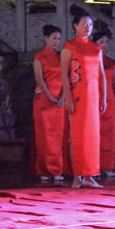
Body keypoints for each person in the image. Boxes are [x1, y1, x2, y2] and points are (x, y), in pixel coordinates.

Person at [61, 11, 107, 189]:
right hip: (78, 96)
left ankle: (90, 175)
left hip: (93, 97)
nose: (87, 27)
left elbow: (101, 73)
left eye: (90, 25)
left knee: (92, 137)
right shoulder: (69, 46)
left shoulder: (96, 48)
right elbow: (64, 74)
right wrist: (68, 97)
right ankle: (76, 176)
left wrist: (103, 98)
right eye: (84, 24)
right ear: (75, 26)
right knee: (78, 137)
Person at [33, 24, 67, 182]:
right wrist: (51, 97)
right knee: (44, 136)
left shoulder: (62, 56)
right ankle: (44, 170)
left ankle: (57, 169)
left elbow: (67, 77)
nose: (56, 41)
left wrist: (63, 96)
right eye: (53, 38)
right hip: (44, 100)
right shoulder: (39, 56)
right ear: (45, 38)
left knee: (58, 135)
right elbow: (39, 80)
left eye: (59, 39)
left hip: (60, 98)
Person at [93, 31, 115, 178]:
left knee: (110, 135)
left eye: (106, 42)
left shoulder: (110, 62)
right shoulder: (91, 60)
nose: (104, 45)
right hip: (95, 100)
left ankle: (108, 166)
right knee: (95, 134)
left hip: (109, 100)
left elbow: (114, 83)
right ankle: (95, 166)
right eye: (101, 42)